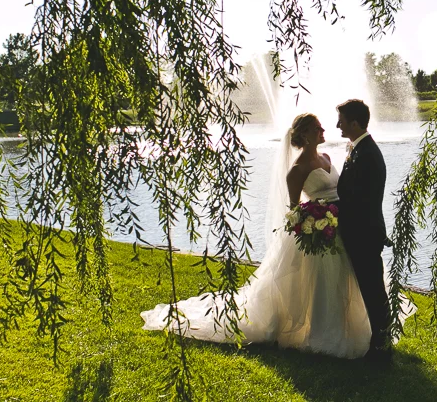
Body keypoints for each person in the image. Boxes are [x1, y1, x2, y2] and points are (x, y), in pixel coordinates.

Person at [141, 113, 373, 358]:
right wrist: (314, 221)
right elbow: (294, 209)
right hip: (316, 232)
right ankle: (319, 333)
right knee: (319, 282)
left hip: (337, 228)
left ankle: (347, 326)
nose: (323, 129)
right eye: (317, 127)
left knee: (341, 280)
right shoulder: (296, 170)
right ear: (305, 134)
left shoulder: (326, 158)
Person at [335, 99, 394, 362]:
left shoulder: (367, 154)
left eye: (342, 121)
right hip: (360, 231)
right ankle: (380, 340)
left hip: (364, 233)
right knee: (371, 288)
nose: (338, 125)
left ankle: (381, 345)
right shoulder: (358, 149)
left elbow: (360, 199)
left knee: (373, 289)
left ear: (355, 123)